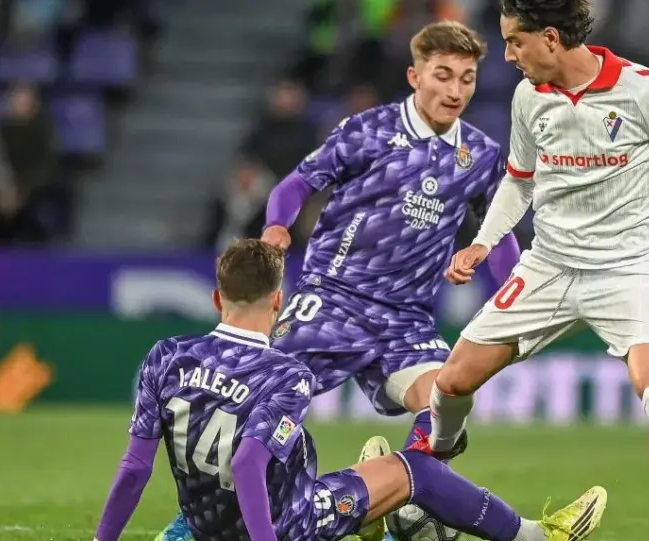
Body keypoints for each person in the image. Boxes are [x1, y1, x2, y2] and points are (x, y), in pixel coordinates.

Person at [158, 19, 522, 541]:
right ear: (415, 76)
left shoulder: (482, 157)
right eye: (443, 75)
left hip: (406, 321)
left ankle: (395, 498)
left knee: (449, 400)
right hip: (333, 301)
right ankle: (194, 522)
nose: (455, 90)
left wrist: (512, 294)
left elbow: (499, 230)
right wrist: (277, 226)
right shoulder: (367, 131)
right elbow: (298, 182)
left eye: (467, 78)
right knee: (249, 396)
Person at [418, 2, 649, 541]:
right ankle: (430, 468)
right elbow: (520, 180)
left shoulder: (644, 89)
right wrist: (484, 243)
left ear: (550, 38)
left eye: (514, 41)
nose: (507, 55)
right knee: (451, 382)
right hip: (550, 265)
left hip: (631, 269)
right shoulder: (529, 96)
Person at [92, 239, 608, 541]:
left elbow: (135, 468)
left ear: (215, 297)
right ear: (278, 302)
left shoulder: (167, 356)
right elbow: (249, 464)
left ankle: (373, 516)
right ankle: (537, 535)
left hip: (205, 528)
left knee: (355, 468)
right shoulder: (285, 374)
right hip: (284, 525)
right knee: (417, 469)